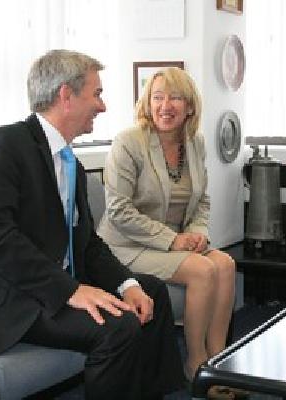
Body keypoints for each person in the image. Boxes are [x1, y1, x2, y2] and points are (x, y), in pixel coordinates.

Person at [0, 49, 184, 399]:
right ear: (66, 95)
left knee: (150, 292)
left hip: (45, 285)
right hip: (2, 300)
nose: (102, 106)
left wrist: (126, 283)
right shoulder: (2, 145)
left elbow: (88, 243)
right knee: (118, 327)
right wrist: (69, 290)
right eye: (96, 94)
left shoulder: (70, 164)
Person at [97, 67, 236, 380]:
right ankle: (195, 365)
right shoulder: (128, 142)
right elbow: (119, 210)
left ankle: (218, 361)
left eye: (175, 98)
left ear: (190, 106)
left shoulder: (195, 142)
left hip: (174, 242)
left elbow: (201, 200)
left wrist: (197, 233)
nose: (165, 105)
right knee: (203, 270)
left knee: (226, 265)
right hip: (125, 245)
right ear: (147, 103)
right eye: (157, 97)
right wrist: (172, 240)